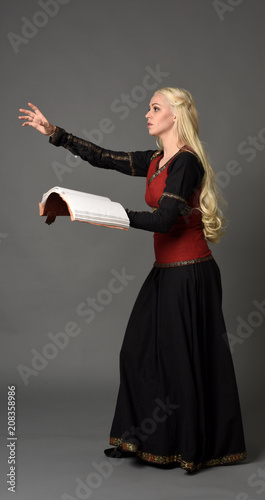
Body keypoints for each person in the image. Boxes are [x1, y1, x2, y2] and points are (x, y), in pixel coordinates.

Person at [19, 87, 246, 473]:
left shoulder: (186, 164)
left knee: (182, 360)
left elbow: (164, 221)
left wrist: (105, 213)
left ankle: (191, 449)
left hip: (191, 274)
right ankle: (143, 440)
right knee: (137, 352)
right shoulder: (157, 160)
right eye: (148, 107)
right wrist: (54, 132)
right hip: (166, 272)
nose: (147, 113)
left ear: (176, 116)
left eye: (155, 108)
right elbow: (103, 158)